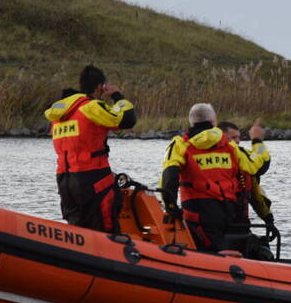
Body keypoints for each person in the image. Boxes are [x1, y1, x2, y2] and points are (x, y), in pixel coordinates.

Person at [160, 104, 268, 252]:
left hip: (196, 211)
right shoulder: (229, 145)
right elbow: (255, 164)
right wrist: (257, 142)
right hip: (226, 211)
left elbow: (169, 177)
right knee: (223, 249)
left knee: (210, 250)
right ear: (214, 121)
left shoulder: (180, 145)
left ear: (191, 122)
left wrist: (171, 207)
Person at [44, 65, 137, 232]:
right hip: (93, 178)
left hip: (65, 181)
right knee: (104, 226)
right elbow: (127, 119)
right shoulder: (90, 107)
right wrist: (117, 95)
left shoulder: (58, 115)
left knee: (77, 230)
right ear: (99, 87)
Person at [218, 119, 275, 236]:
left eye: (239, 137)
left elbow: (255, 194)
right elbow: (263, 162)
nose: (238, 141)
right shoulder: (243, 160)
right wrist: (257, 140)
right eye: (234, 138)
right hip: (218, 225)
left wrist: (268, 219)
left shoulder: (244, 159)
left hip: (240, 224)